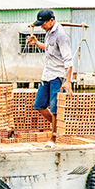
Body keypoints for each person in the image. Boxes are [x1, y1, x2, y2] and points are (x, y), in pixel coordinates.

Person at [27, 8, 73, 148]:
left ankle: (53, 137)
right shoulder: (48, 32)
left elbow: (69, 60)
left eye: (43, 23)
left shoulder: (61, 35)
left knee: (54, 109)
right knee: (39, 105)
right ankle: (58, 127)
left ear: (51, 20)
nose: (42, 26)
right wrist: (36, 43)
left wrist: (68, 81)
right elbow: (49, 49)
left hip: (57, 76)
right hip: (47, 74)